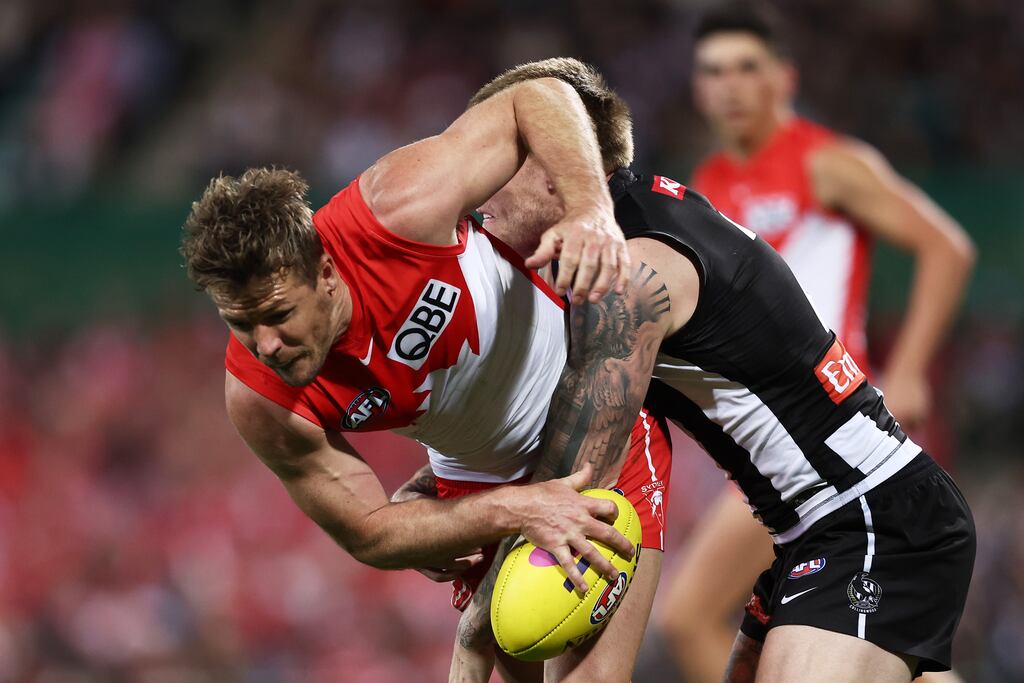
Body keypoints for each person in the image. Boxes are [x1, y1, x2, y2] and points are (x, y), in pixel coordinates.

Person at [446, 58, 974, 683]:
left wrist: (468, 574)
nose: (476, 186)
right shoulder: (633, 227)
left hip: (869, 518)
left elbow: (584, 472)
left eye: (498, 160)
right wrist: (444, 480)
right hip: (818, 527)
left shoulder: (631, 276)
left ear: (557, 168)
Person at [180, 77, 675, 683]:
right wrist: (512, 509)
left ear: (327, 272)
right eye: (240, 323)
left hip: (595, 424)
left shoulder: (395, 210)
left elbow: (537, 97)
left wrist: (589, 209)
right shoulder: (261, 400)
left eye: (279, 314)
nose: (266, 346)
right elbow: (368, 532)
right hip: (477, 487)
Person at [658, 6, 977, 683]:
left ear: (784, 78)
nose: (731, 86)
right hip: (778, 436)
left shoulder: (827, 163)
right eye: (714, 71)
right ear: (696, 87)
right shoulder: (706, 186)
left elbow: (946, 248)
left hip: (832, 425)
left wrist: (913, 368)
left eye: (748, 68)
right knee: (893, 638)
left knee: (686, 615)